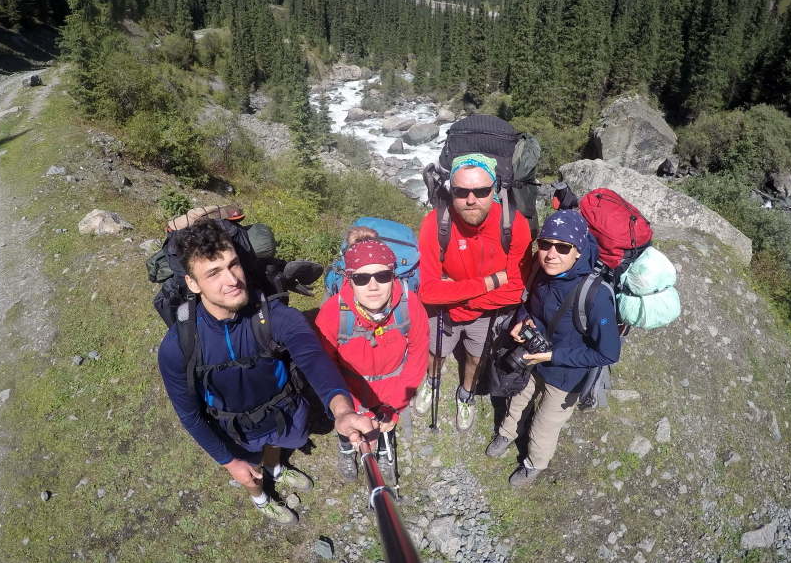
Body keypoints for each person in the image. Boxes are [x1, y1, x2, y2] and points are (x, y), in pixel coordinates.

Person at [157, 220, 375, 525]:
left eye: (233, 265)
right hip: (235, 430)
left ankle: (276, 468)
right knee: (248, 472)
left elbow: (313, 358)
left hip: (284, 412)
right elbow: (190, 415)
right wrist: (230, 462)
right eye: (213, 273)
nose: (232, 280)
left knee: (275, 445)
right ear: (192, 283)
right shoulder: (178, 346)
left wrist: (342, 409)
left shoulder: (273, 316)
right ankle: (260, 499)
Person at [485, 210, 622, 487]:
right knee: (517, 399)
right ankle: (507, 433)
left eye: (562, 247)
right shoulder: (541, 272)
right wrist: (522, 320)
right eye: (545, 244)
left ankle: (534, 463)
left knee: (544, 425)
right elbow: (528, 303)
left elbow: (608, 353)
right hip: (534, 356)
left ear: (578, 251)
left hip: (567, 374)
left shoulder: (595, 297)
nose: (551, 254)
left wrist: (553, 355)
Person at [414, 153, 532, 430]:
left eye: (481, 191)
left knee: (476, 358)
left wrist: (456, 296)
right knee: (436, 353)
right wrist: (490, 282)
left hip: (475, 311)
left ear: (495, 190)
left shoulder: (514, 225)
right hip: (449, 310)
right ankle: (432, 380)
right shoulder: (435, 223)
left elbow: (517, 289)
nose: (471, 199)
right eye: (461, 191)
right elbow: (428, 292)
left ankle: (466, 393)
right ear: (450, 190)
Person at [314, 227, 429, 481]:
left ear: (393, 275)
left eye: (383, 275)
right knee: (349, 427)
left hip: (392, 390)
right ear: (349, 278)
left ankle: (385, 448)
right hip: (350, 392)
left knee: (386, 426)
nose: (373, 286)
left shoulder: (410, 307)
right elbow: (324, 368)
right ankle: (347, 448)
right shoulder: (332, 314)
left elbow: (418, 357)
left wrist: (395, 406)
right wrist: (343, 407)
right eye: (361, 278)